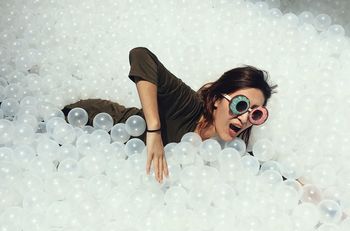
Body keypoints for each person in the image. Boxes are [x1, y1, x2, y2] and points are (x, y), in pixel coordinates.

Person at [63, 47, 277, 183]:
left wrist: (300, 185)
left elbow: (264, 169)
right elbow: (140, 55)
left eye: (255, 114)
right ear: (217, 100)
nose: (244, 118)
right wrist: (154, 130)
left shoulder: (227, 153)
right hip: (85, 123)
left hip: (104, 168)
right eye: (241, 105)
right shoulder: (187, 105)